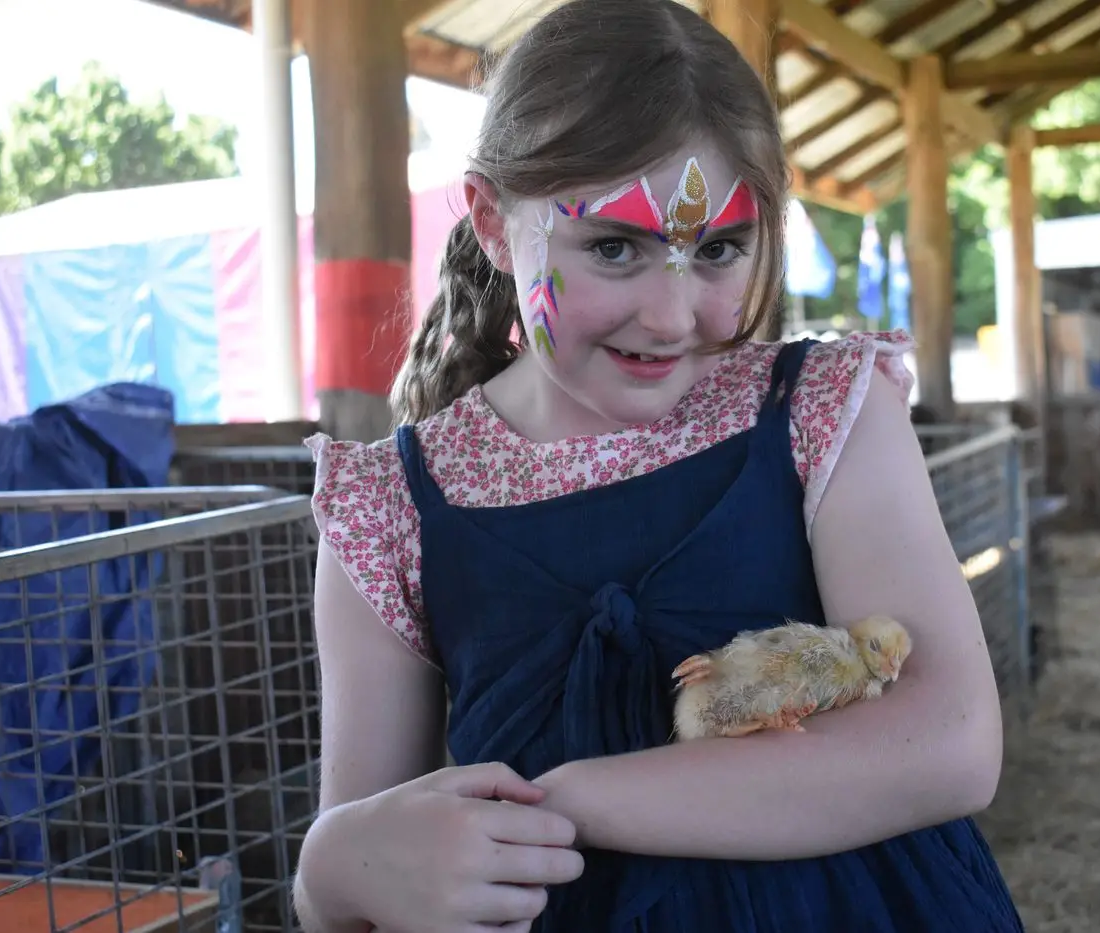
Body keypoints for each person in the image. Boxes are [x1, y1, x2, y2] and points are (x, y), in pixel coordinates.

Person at [291, 1, 1023, 930]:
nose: (672, 317)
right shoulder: (389, 507)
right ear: (491, 220)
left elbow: (950, 739)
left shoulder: (824, 411)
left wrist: (570, 800)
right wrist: (329, 868)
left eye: (718, 249)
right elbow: (361, 865)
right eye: (611, 247)